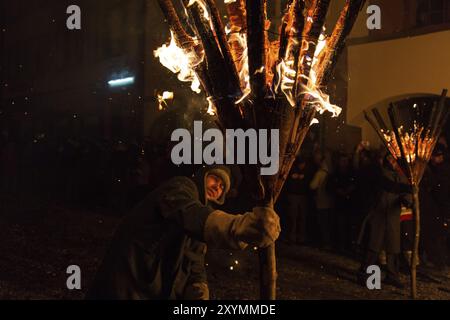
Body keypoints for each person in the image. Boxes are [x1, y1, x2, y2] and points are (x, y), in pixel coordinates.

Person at [86, 165, 280, 300]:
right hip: (129, 279)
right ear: (203, 174)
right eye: (215, 179)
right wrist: (238, 226)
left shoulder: (203, 213)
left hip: (152, 288)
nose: (217, 187)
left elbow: (194, 258)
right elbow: (188, 213)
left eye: (222, 187)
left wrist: (199, 288)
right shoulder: (181, 186)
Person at [358, 155, 411, 288]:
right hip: (378, 214)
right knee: (373, 246)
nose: (392, 163)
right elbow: (391, 187)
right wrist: (406, 189)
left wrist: (409, 200)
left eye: (394, 161)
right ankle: (366, 275)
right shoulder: (379, 173)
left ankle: (392, 275)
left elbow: (404, 194)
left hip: (392, 216)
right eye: (390, 160)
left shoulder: (401, 176)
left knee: (393, 247)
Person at [283, 157, 310, 245]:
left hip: (302, 196)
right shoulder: (291, 171)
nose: (303, 165)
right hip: (294, 196)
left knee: (302, 217)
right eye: (301, 164)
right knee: (293, 217)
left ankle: (301, 237)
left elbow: (308, 183)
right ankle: (292, 237)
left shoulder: (306, 172)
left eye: (304, 164)